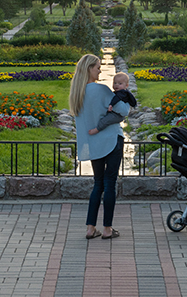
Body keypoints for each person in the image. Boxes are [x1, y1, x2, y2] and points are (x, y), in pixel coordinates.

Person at [69, 54, 129, 240]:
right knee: (110, 185)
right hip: (111, 141)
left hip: (94, 145)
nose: (100, 70)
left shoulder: (76, 94)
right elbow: (124, 111)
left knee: (98, 184)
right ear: (89, 69)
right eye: (97, 67)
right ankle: (107, 230)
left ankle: (90, 228)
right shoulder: (101, 90)